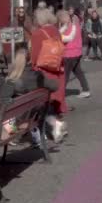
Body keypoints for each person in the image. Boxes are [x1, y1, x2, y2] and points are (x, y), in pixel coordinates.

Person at [2, 49, 60, 147]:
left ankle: (12, 133)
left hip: (18, 118)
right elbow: (55, 86)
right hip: (34, 115)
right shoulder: (37, 76)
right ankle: (38, 133)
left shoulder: (12, 80)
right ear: (29, 61)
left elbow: (3, 101)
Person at [30, 8, 67, 142]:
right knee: (53, 101)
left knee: (44, 101)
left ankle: (54, 127)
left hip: (44, 71)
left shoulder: (37, 34)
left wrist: (33, 67)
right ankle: (55, 127)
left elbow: (34, 56)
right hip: (57, 69)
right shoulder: (55, 30)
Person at [58, 10, 91, 99]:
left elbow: (63, 38)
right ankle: (86, 90)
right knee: (78, 71)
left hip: (69, 53)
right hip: (77, 52)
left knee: (65, 75)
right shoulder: (75, 25)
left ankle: (60, 94)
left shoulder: (67, 27)